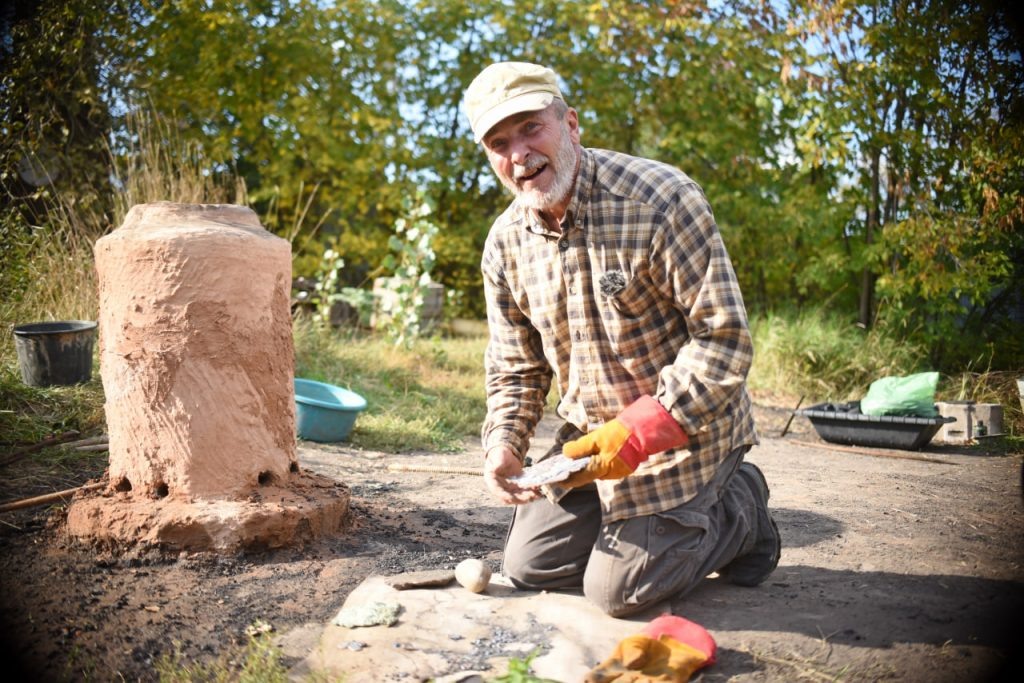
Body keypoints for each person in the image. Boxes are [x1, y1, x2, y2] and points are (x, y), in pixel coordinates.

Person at [464, 61, 780, 617]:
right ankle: (642, 526)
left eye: (532, 128)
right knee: (530, 567)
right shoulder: (504, 245)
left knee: (618, 592)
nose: (519, 155)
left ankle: (742, 507)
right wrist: (503, 444)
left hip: (686, 432)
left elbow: (724, 339)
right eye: (499, 142)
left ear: (571, 124)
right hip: (592, 444)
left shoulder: (661, 199)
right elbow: (516, 367)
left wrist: (640, 430)